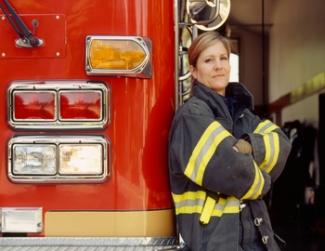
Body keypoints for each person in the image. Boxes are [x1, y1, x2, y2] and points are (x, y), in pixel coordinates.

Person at [168, 31, 291, 251]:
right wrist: (264, 182)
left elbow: (281, 144)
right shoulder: (192, 116)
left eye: (223, 58)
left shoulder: (244, 115)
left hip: (259, 239)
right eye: (208, 60)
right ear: (194, 71)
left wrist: (245, 146)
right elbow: (231, 170)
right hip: (215, 241)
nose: (218, 66)